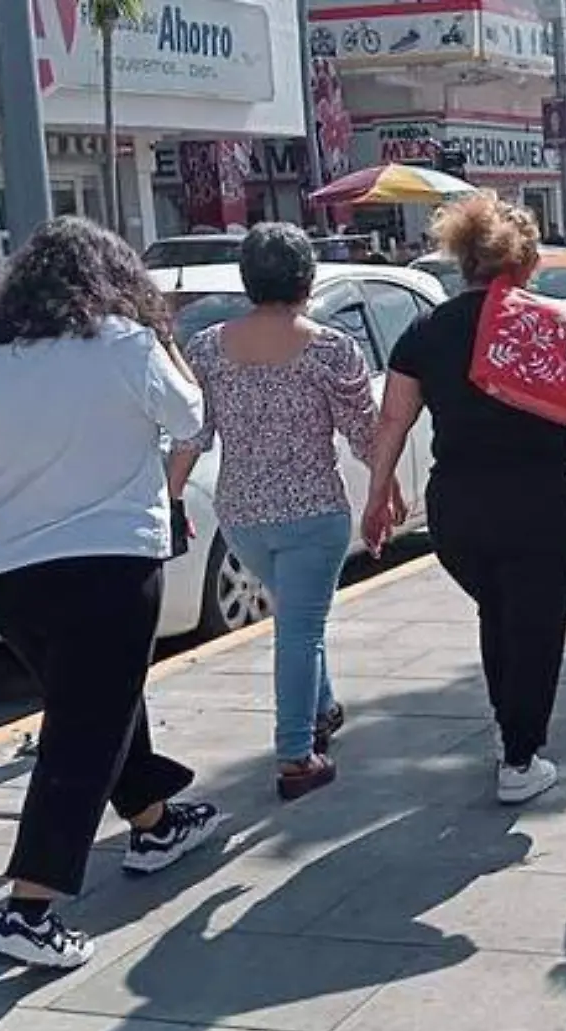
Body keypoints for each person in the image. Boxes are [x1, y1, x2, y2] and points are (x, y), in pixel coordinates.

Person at [0, 216, 224, 971]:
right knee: (82, 731)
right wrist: (167, 341)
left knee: (98, 702)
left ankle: (154, 822)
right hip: (112, 566)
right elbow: (191, 419)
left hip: (13, 577)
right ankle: (29, 907)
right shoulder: (125, 344)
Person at [362, 194, 566, 805]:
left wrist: (378, 495)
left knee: (498, 611)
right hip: (542, 499)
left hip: (459, 505)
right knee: (536, 625)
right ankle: (519, 757)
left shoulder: (425, 329)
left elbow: (393, 422)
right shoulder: (550, 319)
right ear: (527, 261)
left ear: (463, 260)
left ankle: (505, 726)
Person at [168, 223, 386, 801]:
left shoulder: (208, 348)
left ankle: (323, 708)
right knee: (298, 628)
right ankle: (295, 755)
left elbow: (192, 436)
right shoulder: (330, 349)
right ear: (306, 278)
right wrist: (386, 490)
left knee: (296, 616)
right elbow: (365, 433)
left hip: (242, 516)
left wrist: (168, 499)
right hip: (314, 512)